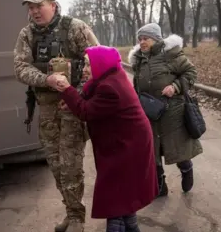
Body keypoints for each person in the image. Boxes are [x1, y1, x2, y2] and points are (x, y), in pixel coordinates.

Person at [13, 0, 99, 232]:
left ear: (53, 4)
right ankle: (71, 210)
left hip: (73, 107)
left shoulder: (75, 27)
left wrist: (78, 93)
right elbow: (20, 68)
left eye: (39, 6)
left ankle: (76, 220)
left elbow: (98, 60)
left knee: (71, 164)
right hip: (47, 109)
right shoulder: (27, 34)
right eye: (31, 7)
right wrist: (46, 80)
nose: (34, 11)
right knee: (55, 164)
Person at [54, 45, 158, 232]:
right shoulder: (109, 77)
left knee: (115, 198)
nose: (84, 69)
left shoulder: (109, 88)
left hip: (128, 147)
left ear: (100, 64)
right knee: (123, 196)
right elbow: (89, 99)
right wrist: (72, 100)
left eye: (88, 64)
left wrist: (67, 89)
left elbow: (86, 111)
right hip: (123, 144)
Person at [127, 23, 203, 197]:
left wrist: (175, 87)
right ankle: (159, 184)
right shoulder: (139, 59)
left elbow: (190, 72)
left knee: (177, 147)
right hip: (149, 112)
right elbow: (138, 85)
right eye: (140, 39)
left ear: (156, 38)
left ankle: (186, 168)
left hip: (172, 111)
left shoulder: (171, 54)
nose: (142, 42)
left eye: (146, 38)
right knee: (152, 150)